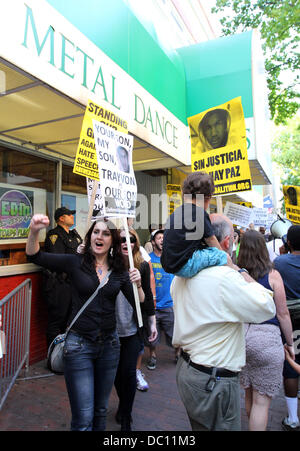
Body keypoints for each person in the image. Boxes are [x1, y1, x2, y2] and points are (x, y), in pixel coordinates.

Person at [26, 214, 144, 431]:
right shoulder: (76, 262)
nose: (100, 236)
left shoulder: (119, 270)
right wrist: (34, 231)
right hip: (79, 346)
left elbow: (140, 303)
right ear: (90, 238)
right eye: (96, 232)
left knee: (100, 411)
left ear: (113, 241)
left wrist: (137, 283)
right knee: (83, 418)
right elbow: (35, 256)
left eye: (106, 233)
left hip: (109, 346)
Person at [172, 214, 276, 431]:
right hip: (213, 380)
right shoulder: (225, 278)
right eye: (234, 239)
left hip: (189, 371)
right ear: (228, 242)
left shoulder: (181, 274)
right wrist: (238, 270)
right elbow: (267, 305)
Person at [237, 230, 294, 431]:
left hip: (241, 340)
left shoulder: (236, 275)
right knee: (262, 403)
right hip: (267, 340)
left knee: (249, 394)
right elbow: (283, 313)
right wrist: (290, 343)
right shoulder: (273, 275)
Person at [114, 228, 157, 431]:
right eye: (122, 239)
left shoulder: (141, 266)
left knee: (129, 373)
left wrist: (152, 322)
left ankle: (126, 417)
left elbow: (147, 297)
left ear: (135, 243)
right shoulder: (109, 264)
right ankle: (123, 405)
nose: (126, 242)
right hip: (111, 331)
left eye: (130, 239)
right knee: (116, 375)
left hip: (133, 330)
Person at [161, 172, 228, 278]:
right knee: (221, 255)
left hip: (170, 266)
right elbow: (211, 240)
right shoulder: (200, 213)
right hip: (186, 266)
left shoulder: (176, 213)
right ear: (208, 198)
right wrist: (224, 257)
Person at [43, 207, 82, 351]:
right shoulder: (54, 235)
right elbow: (58, 260)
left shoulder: (74, 235)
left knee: (69, 320)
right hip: (58, 284)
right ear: (61, 218)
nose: (72, 216)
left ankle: (64, 354)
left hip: (73, 284)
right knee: (56, 320)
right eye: (69, 215)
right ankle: (52, 356)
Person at [274, 225, 300, 431]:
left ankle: (293, 418)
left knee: (291, 366)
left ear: (288, 242)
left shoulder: (280, 262)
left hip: (291, 323)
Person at [147, 229, 179, 370]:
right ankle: (152, 356)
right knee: (152, 337)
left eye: (164, 237)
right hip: (153, 305)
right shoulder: (147, 260)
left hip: (169, 304)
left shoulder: (171, 258)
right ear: (153, 242)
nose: (162, 240)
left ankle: (178, 353)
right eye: (159, 237)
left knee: (174, 335)